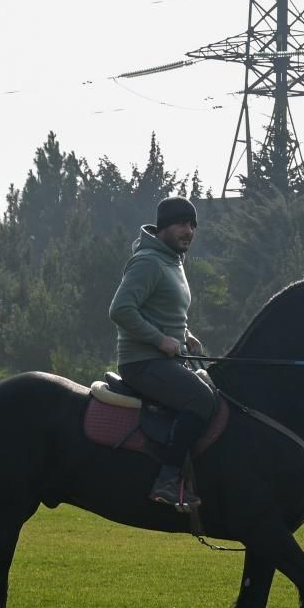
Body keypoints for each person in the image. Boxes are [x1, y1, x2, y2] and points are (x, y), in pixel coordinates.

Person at [109, 195, 216, 510]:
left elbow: (161, 308)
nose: (189, 231)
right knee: (201, 399)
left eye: (193, 225)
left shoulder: (172, 261)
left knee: (212, 388)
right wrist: (159, 340)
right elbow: (120, 309)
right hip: (142, 362)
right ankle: (167, 480)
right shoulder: (148, 261)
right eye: (183, 223)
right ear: (165, 226)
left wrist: (184, 334)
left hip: (163, 358)